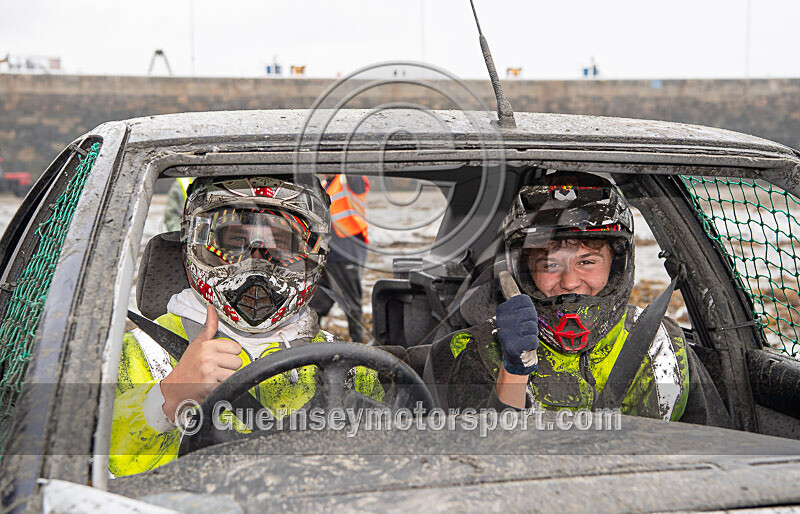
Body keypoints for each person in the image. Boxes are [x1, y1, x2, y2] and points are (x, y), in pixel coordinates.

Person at [109, 176, 382, 477]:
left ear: (313, 252)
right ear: (195, 243)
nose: (255, 262)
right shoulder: (133, 354)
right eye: (234, 242)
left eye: (280, 245)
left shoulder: (348, 366)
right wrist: (167, 398)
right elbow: (93, 470)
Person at [439, 172, 732, 426]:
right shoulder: (480, 351)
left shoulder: (664, 346)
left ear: (617, 266)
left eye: (587, 262)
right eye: (550, 265)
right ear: (524, 272)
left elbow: (717, 453)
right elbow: (480, 462)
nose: (569, 281)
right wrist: (513, 371)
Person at [310, 174, 370, 343]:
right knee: (317, 302)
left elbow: (351, 162)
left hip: (347, 252)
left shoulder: (349, 179)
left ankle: (359, 345)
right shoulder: (325, 185)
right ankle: (310, 342)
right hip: (326, 255)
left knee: (351, 304)